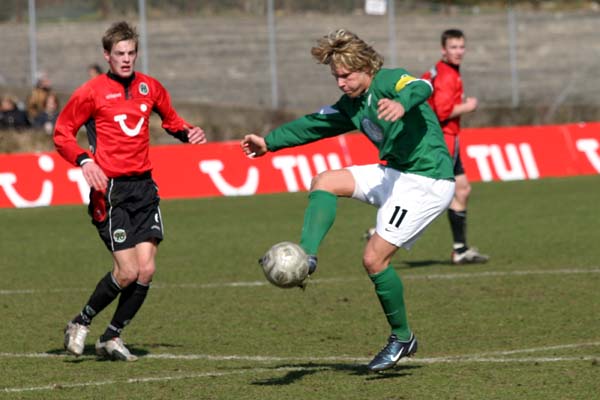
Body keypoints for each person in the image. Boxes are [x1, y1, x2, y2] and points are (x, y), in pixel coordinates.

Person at [241, 29, 455, 372]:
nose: (341, 83)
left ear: (366, 67)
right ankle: (307, 256)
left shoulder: (389, 80)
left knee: (374, 259)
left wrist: (402, 103)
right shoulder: (352, 104)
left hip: (427, 181)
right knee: (325, 181)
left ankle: (402, 337)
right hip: (395, 172)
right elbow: (314, 124)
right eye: (336, 77)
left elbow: (422, 87)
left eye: (346, 75)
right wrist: (270, 143)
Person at [54, 21, 207, 361]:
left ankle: (111, 336)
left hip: (144, 188)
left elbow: (171, 120)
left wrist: (188, 132)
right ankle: (81, 321)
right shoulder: (91, 92)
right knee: (127, 272)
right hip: (110, 191)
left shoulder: (150, 87)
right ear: (107, 55)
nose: (126, 59)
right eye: (119, 53)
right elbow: (62, 133)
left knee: (146, 270)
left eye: (131, 53)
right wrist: (84, 161)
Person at [422, 29, 489, 265]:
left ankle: (460, 249)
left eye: (461, 47)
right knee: (430, 192)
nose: (459, 52)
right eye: (453, 47)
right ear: (444, 49)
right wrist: (468, 106)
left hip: (446, 137)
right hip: (443, 139)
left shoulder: (441, 71)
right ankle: (382, 229)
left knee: (462, 190)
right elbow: (442, 112)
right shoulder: (446, 75)